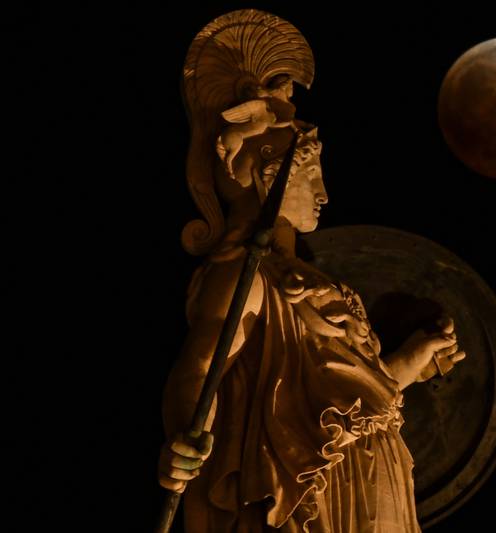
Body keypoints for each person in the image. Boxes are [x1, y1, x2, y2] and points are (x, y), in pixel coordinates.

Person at [158, 122, 466, 532]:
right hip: (311, 490)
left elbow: (350, 407)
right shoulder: (248, 274)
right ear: (268, 179)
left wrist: (411, 359)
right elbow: (201, 367)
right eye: (310, 175)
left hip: (373, 483)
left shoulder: (327, 289)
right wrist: (183, 436)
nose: (324, 194)